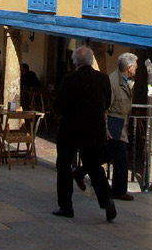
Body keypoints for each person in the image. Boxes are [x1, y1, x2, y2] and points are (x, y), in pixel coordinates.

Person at [52, 46, 116, 222]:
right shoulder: (103, 78)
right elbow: (107, 103)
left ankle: (66, 206)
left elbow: (58, 106)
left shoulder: (70, 79)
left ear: (75, 62)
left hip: (70, 130)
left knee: (64, 166)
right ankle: (107, 201)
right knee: (95, 167)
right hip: (94, 130)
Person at [73, 52, 137, 201]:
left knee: (106, 155)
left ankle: (80, 172)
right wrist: (106, 129)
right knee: (121, 158)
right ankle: (118, 191)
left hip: (120, 125)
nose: (137, 68)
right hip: (114, 126)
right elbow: (105, 107)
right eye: (135, 66)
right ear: (129, 67)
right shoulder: (112, 82)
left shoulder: (126, 81)